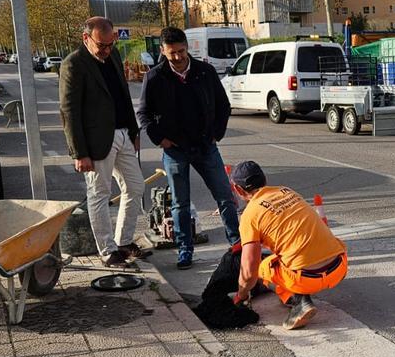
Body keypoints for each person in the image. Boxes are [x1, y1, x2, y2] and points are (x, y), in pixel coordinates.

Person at [137, 26, 237, 269]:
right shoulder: (155, 78)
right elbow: (144, 114)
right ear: (163, 51)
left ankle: (236, 244)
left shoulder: (205, 71)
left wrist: (216, 134)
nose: (178, 57)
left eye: (181, 51)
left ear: (187, 47)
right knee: (180, 203)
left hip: (205, 146)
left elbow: (223, 105)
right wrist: (160, 139)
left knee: (224, 196)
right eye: (172, 53)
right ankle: (185, 249)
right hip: (175, 150)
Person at [59, 16, 148, 268]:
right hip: (96, 141)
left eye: (111, 45)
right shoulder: (73, 64)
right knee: (99, 194)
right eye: (102, 46)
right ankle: (108, 251)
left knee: (135, 186)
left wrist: (133, 131)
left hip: (123, 134)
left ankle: (123, 241)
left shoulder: (114, 57)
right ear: (85, 38)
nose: (107, 50)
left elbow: (122, 94)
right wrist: (79, 152)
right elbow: (69, 111)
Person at [230, 161, 347, 330]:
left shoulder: (250, 214)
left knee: (264, 267)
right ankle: (293, 296)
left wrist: (241, 296)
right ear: (264, 180)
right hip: (339, 268)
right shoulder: (286, 191)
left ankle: (301, 301)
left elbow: (249, 271)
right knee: (284, 258)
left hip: (306, 279)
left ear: (239, 190)